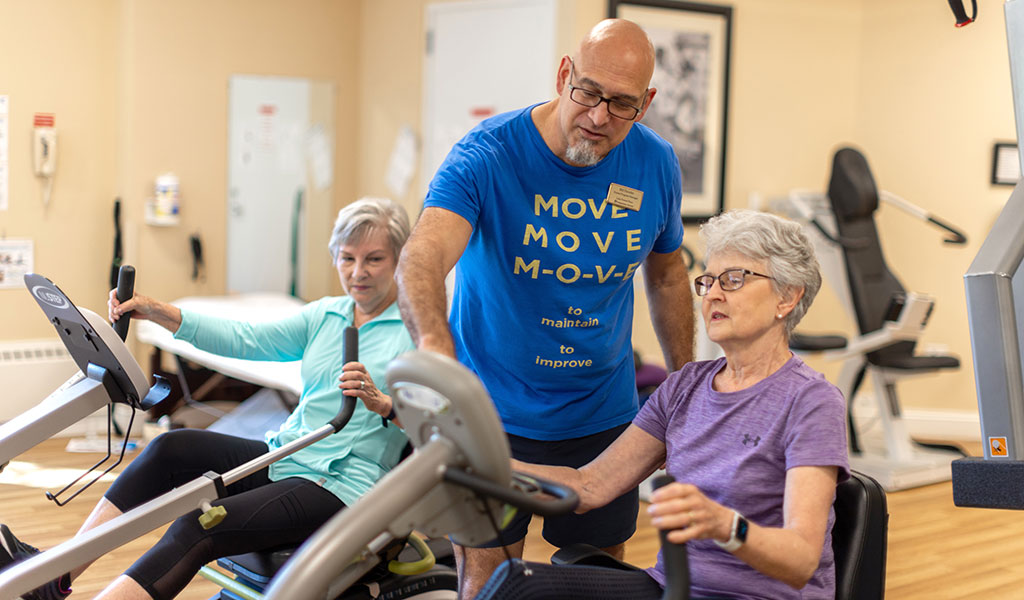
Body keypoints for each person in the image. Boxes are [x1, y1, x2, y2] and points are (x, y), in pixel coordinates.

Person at [396, 18, 695, 599]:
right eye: (588, 92)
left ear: (647, 102)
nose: (599, 117)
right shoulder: (488, 153)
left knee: (595, 581)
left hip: (603, 419)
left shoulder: (655, 164)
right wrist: (437, 355)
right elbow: (423, 256)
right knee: (489, 582)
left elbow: (667, 274)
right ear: (564, 75)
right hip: (491, 417)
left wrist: (684, 387)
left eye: (623, 104)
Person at [0, 197, 415, 600]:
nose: (358, 271)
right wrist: (157, 311)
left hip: (344, 486)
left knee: (201, 524)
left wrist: (385, 405)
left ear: (399, 260)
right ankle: (53, 581)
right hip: (285, 456)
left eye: (374, 259)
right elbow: (246, 338)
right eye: (347, 258)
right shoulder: (328, 313)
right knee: (168, 448)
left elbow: (441, 424)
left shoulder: (417, 332)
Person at [477, 210, 850, 600]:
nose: (713, 294)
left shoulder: (811, 401)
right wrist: (485, 467)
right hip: (672, 588)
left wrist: (724, 525)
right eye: (707, 282)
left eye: (734, 279)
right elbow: (589, 486)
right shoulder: (684, 387)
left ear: (788, 296)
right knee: (514, 587)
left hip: (760, 595)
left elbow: (802, 559)